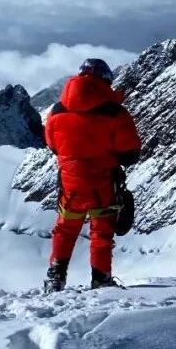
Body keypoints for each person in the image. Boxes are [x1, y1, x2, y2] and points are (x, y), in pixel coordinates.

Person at [42, 58, 141, 293]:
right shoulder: (115, 113)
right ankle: (101, 279)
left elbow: (52, 145)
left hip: (70, 182)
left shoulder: (56, 110)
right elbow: (130, 153)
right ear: (105, 81)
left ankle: (55, 277)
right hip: (103, 183)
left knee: (65, 229)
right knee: (102, 233)